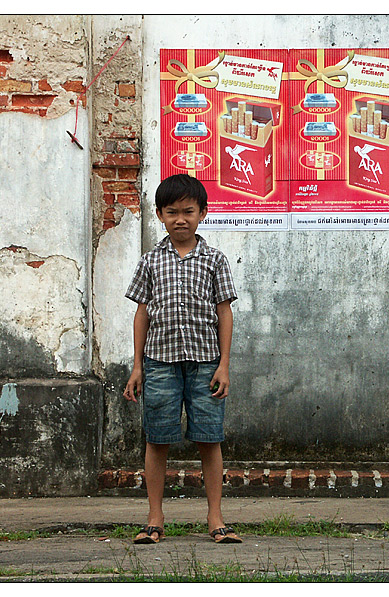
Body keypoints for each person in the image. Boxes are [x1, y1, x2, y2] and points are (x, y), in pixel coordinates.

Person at [123, 174, 241, 545]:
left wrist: (223, 364)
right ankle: (155, 518)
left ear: (202, 213)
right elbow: (142, 314)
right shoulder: (151, 261)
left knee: (209, 438)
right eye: (171, 212)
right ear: (159, 215)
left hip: (206, 364)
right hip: (159, 362)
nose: (180, 219)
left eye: (188, 211)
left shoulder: (214, 260)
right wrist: (138, 366)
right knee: (157, 439)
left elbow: (224, 313)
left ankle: (216, 518)